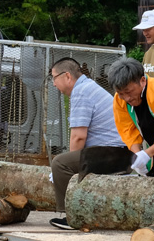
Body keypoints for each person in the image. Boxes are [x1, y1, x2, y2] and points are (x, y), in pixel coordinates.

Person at [47, 57, 128, 230]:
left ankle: (72, 217)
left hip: (114, 155)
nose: (53, 84)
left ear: (67, 76)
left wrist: (65, 168)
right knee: (64, 161)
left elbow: (78, 137)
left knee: (60, 163)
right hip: (120, 154)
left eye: (54, 78)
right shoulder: (87, 87)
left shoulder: (81, 92)